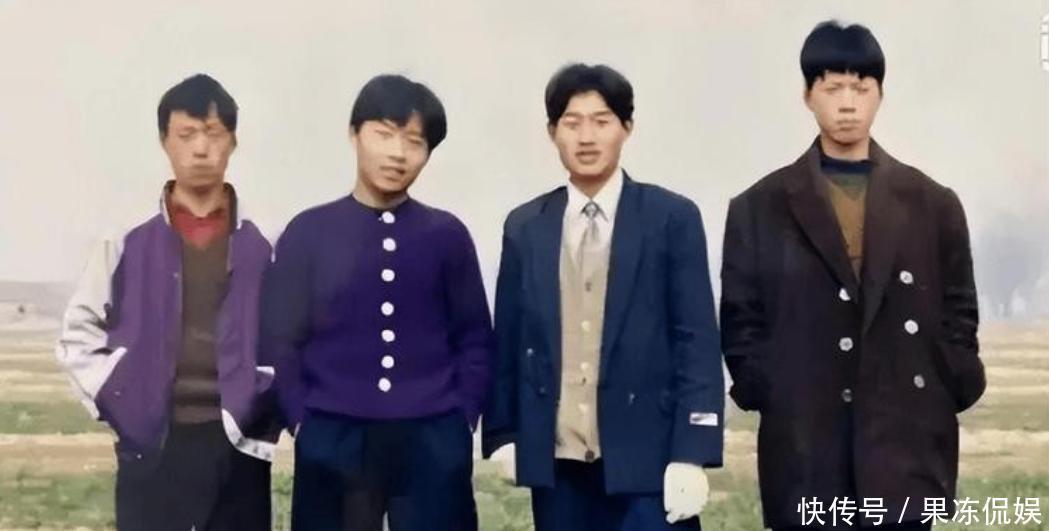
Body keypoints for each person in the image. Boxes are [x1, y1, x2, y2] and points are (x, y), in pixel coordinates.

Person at [720, 20, 985, 530]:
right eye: (832, 88)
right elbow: (740, 320)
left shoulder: (933, 204)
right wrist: (769, 389)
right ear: (807, 95)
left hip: (905, 446)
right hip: (804, 449)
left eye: (860, 89)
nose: (847, 104)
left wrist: (950, 381)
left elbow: (960, 313)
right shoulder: (759, 207)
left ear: (880, 94)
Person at [482, 63, 724, 531]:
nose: (586, 137)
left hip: (650, 461)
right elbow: (509, 337)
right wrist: (503, 434)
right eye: (572, 123)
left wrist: (692, 453)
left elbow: (695, 341)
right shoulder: (526, 226)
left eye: (601, 121)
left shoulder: (670, 218)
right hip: (559, 469)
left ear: (626, 127)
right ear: (552, 132)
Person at [259, 74, 493, 531]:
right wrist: (302, 420)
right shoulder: (309, 231)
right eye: (384, 134)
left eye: (414, 142)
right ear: (354, 134)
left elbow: (474, 338)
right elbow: (280, 338)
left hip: (433, 437)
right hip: (332, 434)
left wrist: (462, 419)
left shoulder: (446, 234)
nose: (397, 153)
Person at [56, 73, 277, 531]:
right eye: (186, 134)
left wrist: (263, 401)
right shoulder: (126, 239)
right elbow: (78, 331)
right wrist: (119, 398)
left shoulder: (263, 242)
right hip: (151, 446)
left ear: (233, 141)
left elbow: (290, 335)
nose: (201, 149)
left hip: (236, 447)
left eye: (213, 133)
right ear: (164, 142)